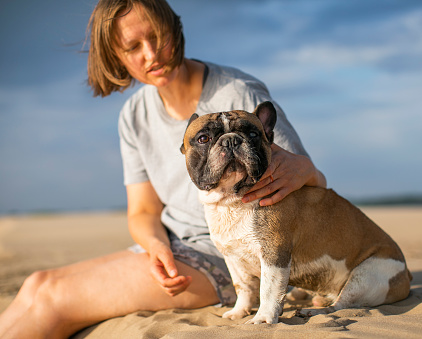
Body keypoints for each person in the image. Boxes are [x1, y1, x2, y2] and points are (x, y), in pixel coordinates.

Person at [0, 0, 326, 337]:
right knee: (37, 283)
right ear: (116, 56)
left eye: (158, 36)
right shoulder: (134, 114)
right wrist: (157, 248)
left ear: (176, 30)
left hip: (226, 257)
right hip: (169, 247)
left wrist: (310, 172)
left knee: (51, 298)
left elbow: (305, 180)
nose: (151, 53)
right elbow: (143, 210)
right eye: (133, 46)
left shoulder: (238, 93)